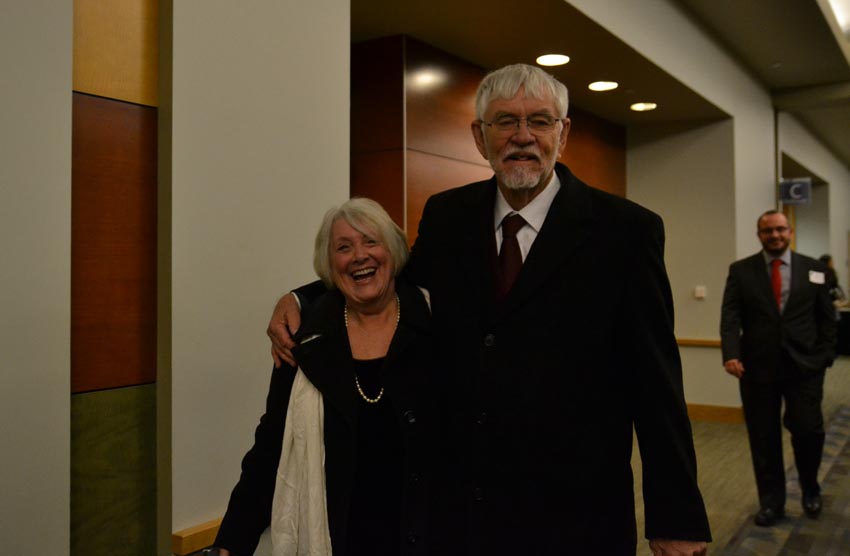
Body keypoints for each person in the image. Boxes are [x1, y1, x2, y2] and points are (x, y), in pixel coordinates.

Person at [269, 64, 710, 555]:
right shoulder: (448, 215)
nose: (522, 136)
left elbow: (656, 382)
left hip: (577, 515)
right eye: (505, 121)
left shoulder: (626, 231)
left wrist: (677, 517)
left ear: (562, 135)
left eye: (540, 121)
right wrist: (302, 297)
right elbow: (393, 285)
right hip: (464, 513)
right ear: (480, 138)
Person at [214, 198, 435, 556]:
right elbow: (270, 448)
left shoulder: (436, 325)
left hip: (429, 537)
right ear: (329, 266)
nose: (359, 256)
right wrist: (229, 544)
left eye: (371, 242)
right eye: (343, 247)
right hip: (338, 541)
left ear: (392, 250)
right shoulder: (303, 342)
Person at [720, 210, 837, 527]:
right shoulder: (741, 270)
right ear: (759, 234)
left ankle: (811, 489)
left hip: (805, 368)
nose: (775, 235)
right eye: (767, 230)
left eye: (780, 229)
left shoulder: (815, 270)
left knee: (808, 431)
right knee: (763, 437)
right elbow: (730, 316)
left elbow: (828, 319)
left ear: (791, 231)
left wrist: (825, 357)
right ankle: (771, 503)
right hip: (757, 369)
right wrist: (730, 353)